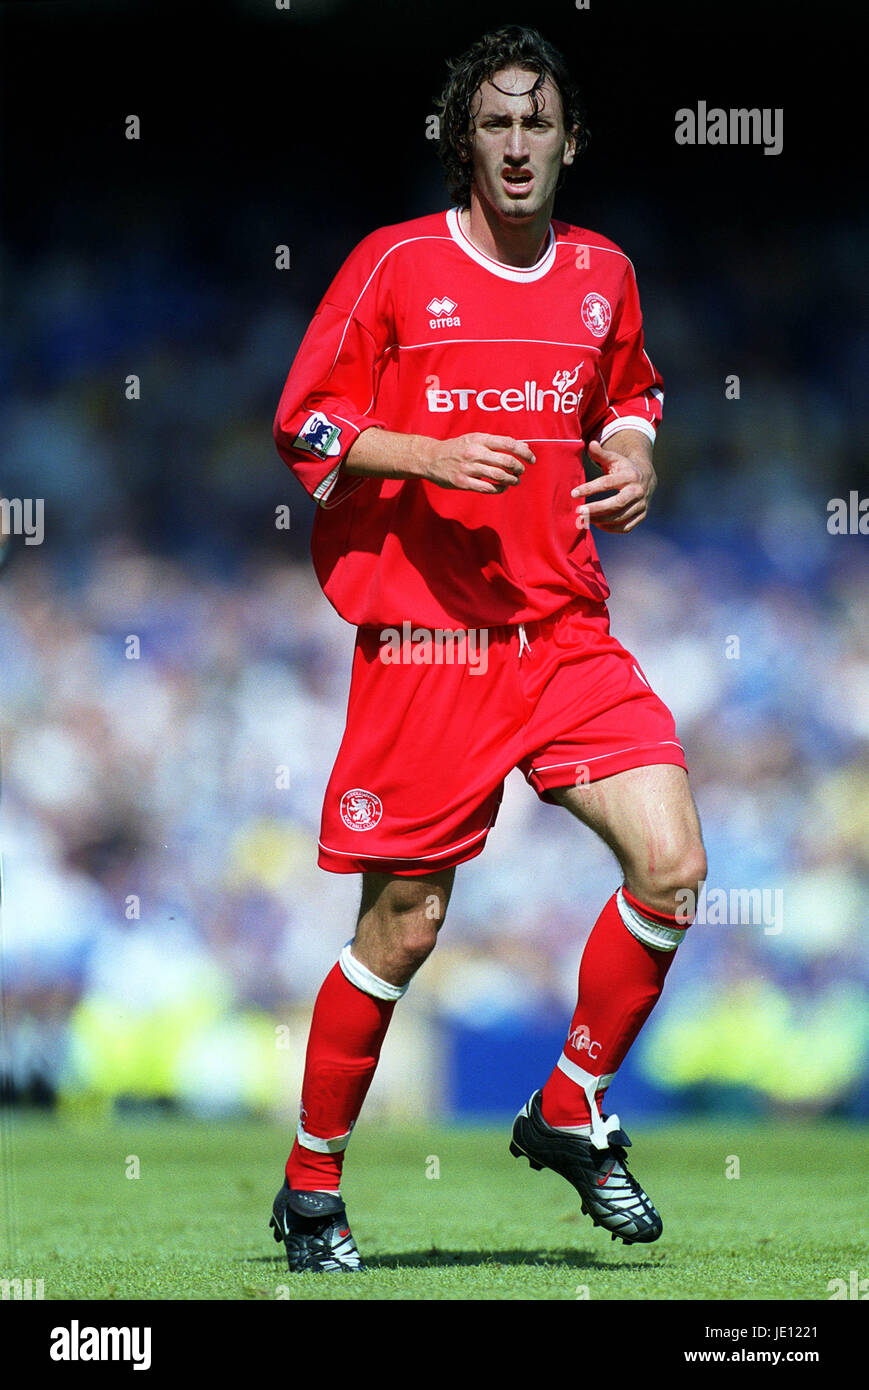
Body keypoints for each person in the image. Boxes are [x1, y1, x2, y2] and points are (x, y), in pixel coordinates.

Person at [270, 24, 707, 1272]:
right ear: (463, 137)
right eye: (495, 122)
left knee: (671, 864)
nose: (517, 144)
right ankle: (311, 1190)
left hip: (563, 630)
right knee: (403, 930)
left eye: (538, 123)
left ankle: (568, 1104)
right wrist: (425, 452)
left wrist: (631, 460)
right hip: (426, 642)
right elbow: (302, 422)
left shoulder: (603, 273)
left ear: (570, 141)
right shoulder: (393, 266)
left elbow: (629, 398)